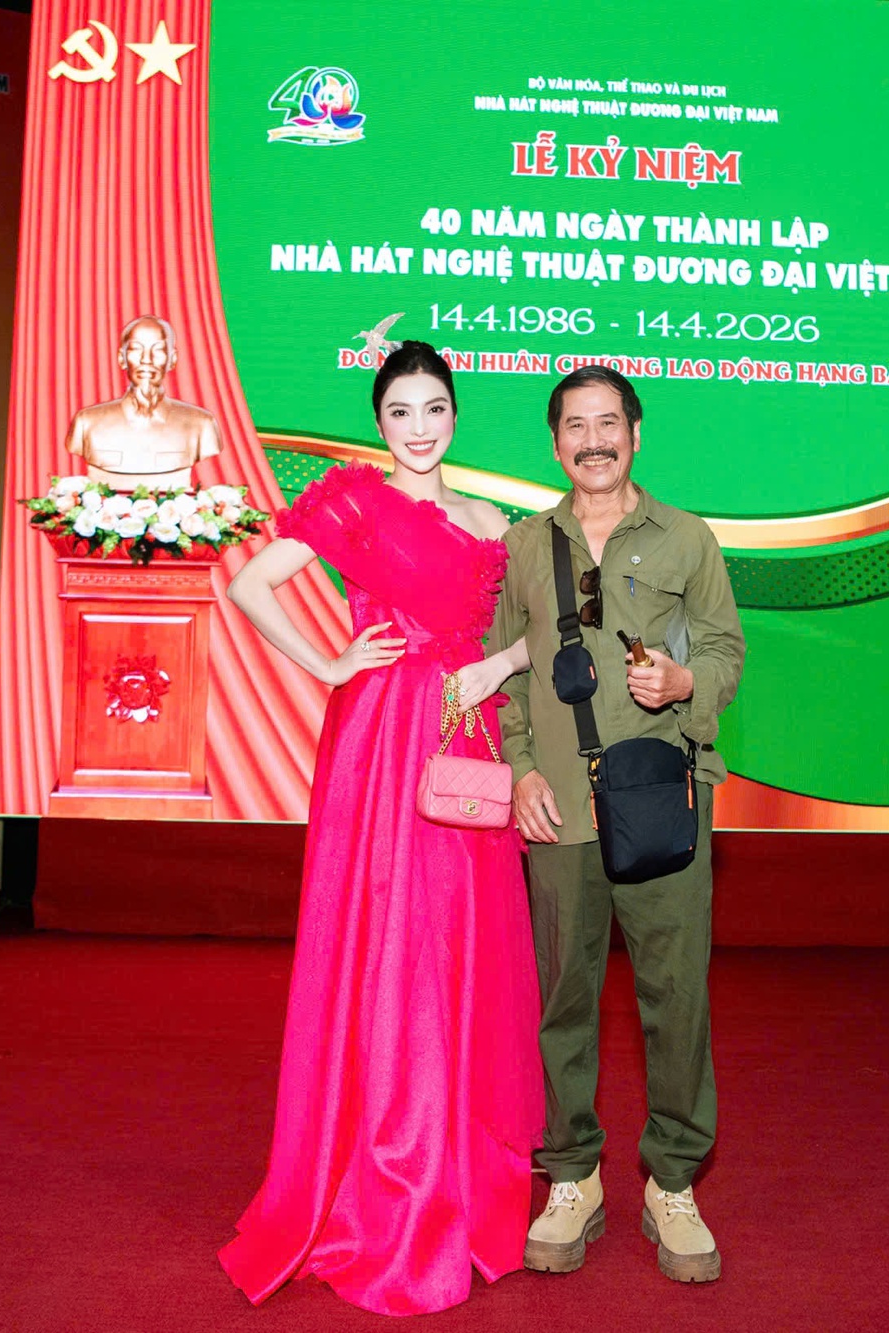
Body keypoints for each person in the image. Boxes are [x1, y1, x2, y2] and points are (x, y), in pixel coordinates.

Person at [217, 342, 542, 1315]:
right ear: (379, 421)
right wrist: (326, 663)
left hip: (464, 735)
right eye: (400, 410)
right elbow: (249, 584)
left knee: (459, 949)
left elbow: (540, 630)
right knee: (387, 942)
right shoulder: (354, 501)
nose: (418, 426)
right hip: (381, 732)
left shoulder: (490, 520)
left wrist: (498, 665)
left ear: (455, 413)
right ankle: (383, 1183)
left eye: (433, 407)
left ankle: (455, 1175)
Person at [490, 365, 745, 1284]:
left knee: (676, 998)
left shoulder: (686, 537)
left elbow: (724, 647)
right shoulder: (525, 545)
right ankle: (573, 1175)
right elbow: (504, 670)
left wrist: (684, 682)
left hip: (662, 801)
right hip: (558, 805)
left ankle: (673, 1182)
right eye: (575, 425)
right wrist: (519, 768)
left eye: (609, 423)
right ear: (555, 442)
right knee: (563, 998)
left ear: (636, 433)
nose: (593, 440)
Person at [64, 315, 220, 491]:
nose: (147, 359)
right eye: (136, 349)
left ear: (172, 359)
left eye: (158, 350)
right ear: (122, 358)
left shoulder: (201, 424)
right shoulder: (87, 422)